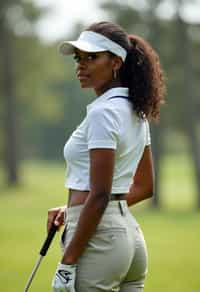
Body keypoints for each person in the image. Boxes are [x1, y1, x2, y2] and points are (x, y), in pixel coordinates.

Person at [48, 21, 165, 292]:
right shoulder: (137, 112)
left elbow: (100, 195)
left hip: (99, 240)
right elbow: (144, 187)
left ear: (115, 62)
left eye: (92, 57)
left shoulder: (103, 113)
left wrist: (67, 263)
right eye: (79, 58)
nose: (81, 65)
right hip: (129, 238)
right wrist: (74, 210)